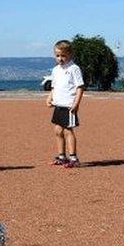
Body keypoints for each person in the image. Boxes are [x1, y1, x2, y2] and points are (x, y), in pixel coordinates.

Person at [45, 40, 85, 168]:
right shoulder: (56, 70)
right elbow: (54, 86)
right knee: (57, 130)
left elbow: (80, 87)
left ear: (70, 55)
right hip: (58, 104)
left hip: (69, 105)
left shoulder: (74, 69)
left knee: (68, 131)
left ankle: (73, 158)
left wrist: (76, 103)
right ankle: (61, 156)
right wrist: (49, 97)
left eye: (63, 55)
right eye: (57, 55)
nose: (60, 58)